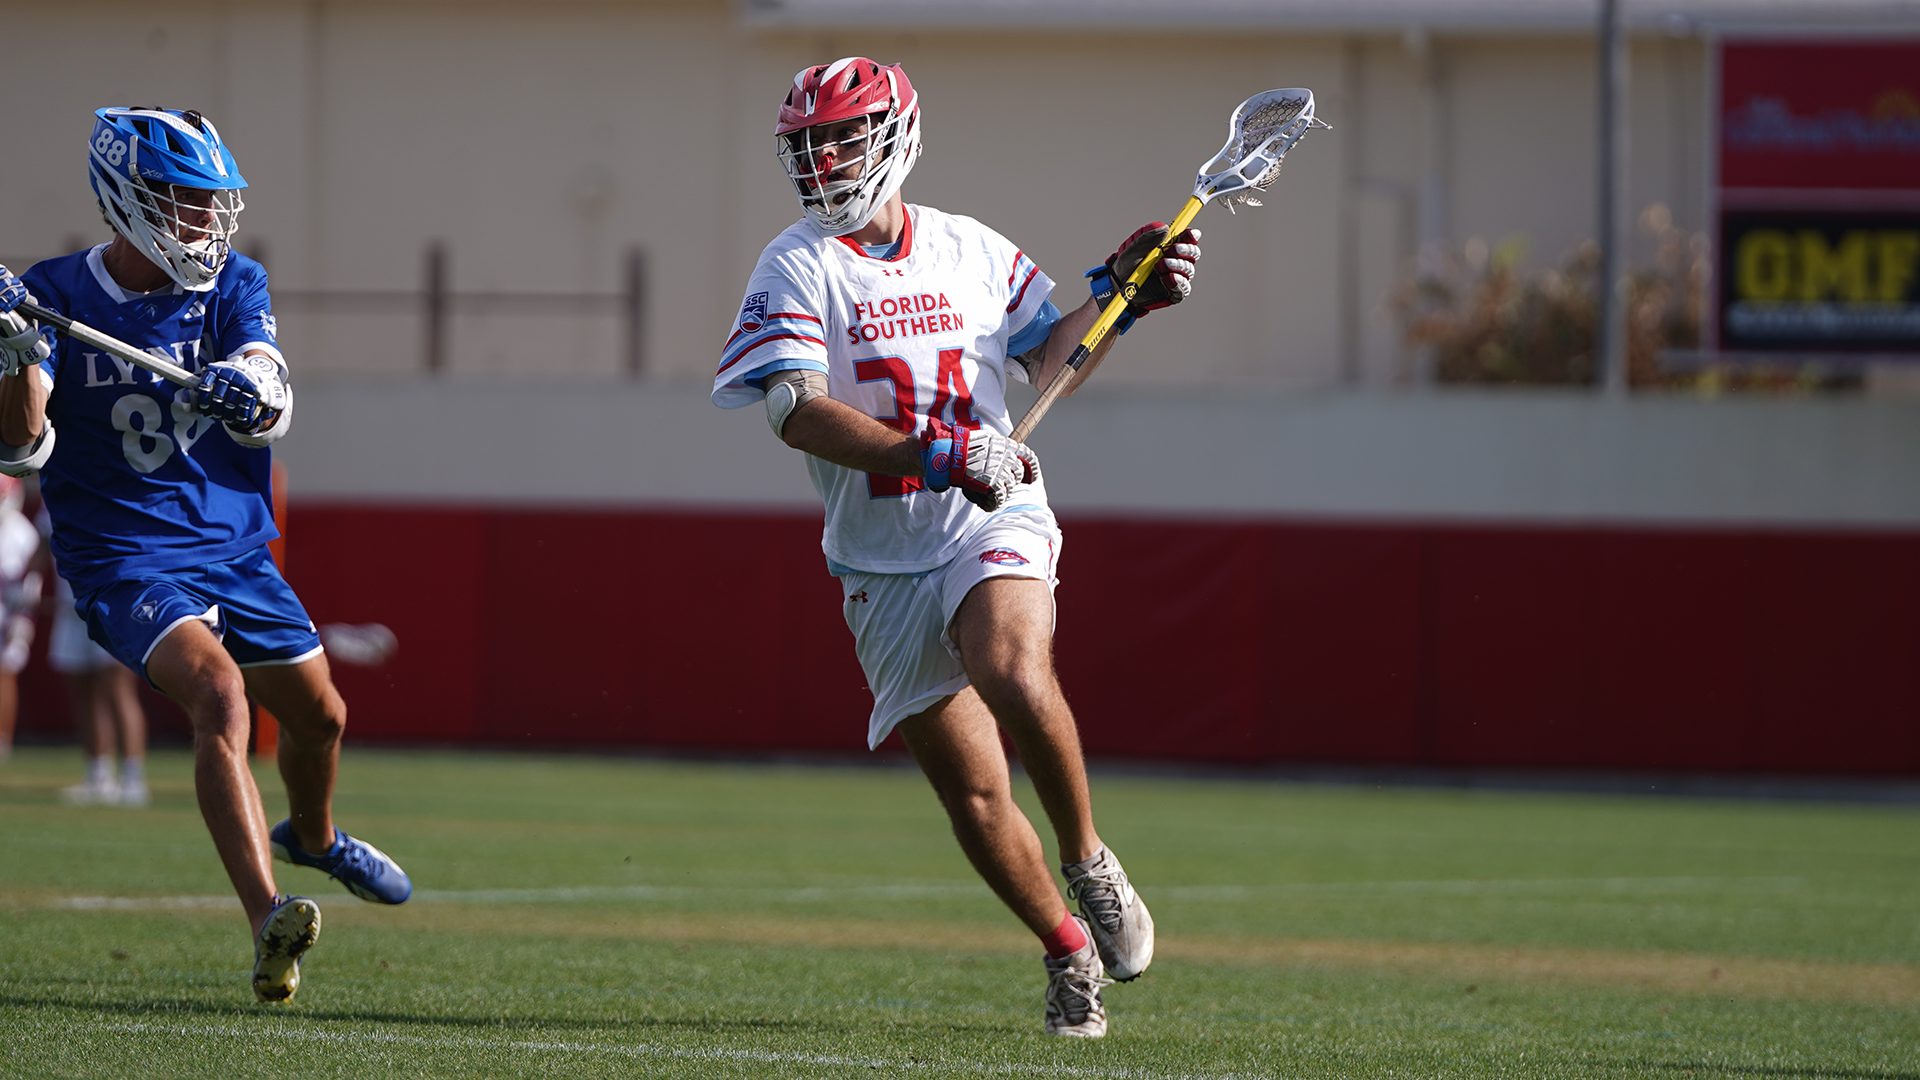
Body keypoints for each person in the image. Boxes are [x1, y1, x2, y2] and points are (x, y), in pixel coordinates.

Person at [713, 59, 1201, 1038]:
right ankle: (1066, 947)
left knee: (1011, 668)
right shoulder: (796, 262)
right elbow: (795, 412)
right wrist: (931, 451)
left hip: (992, 514)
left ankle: (1089, 860)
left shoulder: (969, 246)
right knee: (976, 796)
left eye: (841, 137)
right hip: (881, 554)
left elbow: (1052, 355)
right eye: (809, 144)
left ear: (894, 135)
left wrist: (1122, 297)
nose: (823, 160)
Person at [0, 107, 411, 1003]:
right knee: (221, 698)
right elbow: (21, 449)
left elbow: (270, 384)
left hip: (232, 548)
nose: (204, 219)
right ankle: (270, 918)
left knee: (321, 719)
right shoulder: (52, 296)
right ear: (128, 198)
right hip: (123, 557)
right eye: (185, 200)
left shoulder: (233, 280)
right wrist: (14, 351)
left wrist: (248, 385)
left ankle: (314, 838)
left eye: (210, 200)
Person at [52, 565, 151, 807]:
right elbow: (43, 552)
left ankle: (133, 780)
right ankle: (98, 777)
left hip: (112, 606)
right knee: (85, 693)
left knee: (119, 689)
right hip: (71, 610)